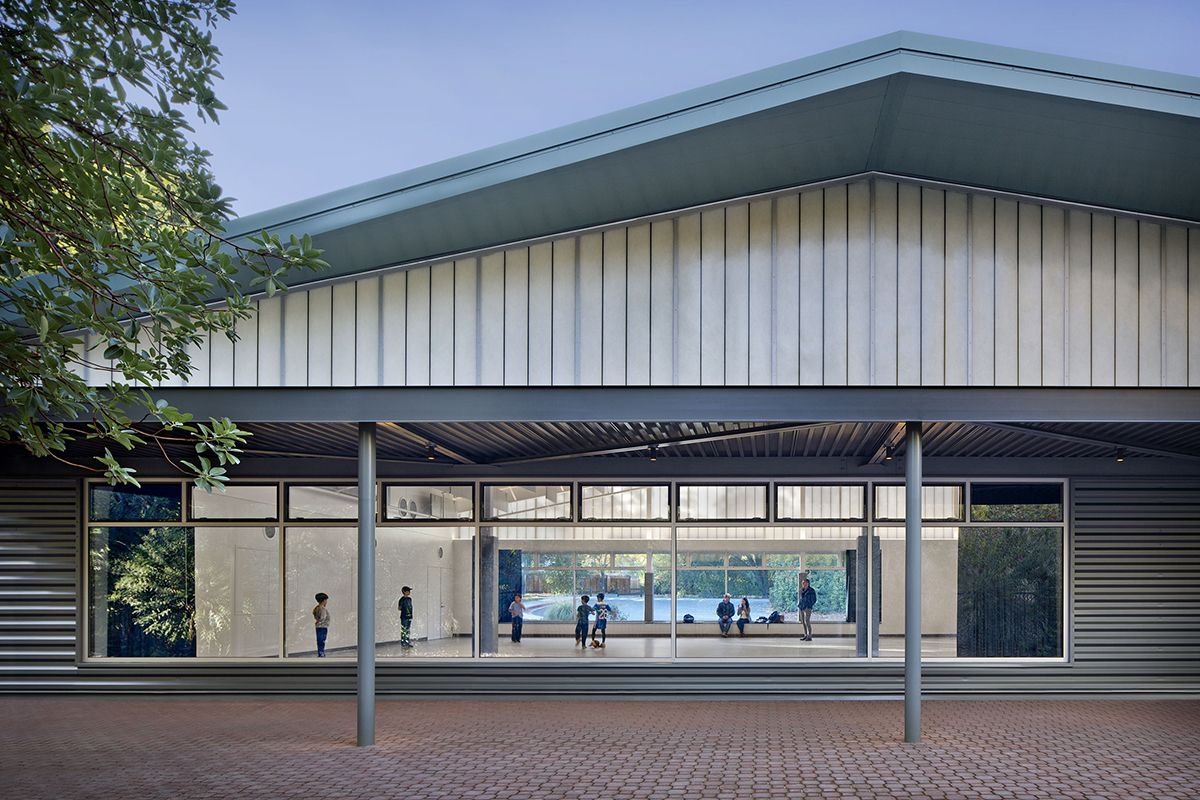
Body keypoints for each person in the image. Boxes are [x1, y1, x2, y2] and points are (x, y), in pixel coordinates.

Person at [312, 592, 329, 657]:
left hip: (318, 627)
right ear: (324, 600)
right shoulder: (322, 609)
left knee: (319, 641)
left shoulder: (317, 608)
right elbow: (323, 617)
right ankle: (321, 653)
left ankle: (320, 652)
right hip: (323, 627)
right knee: (322, 641)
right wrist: (321, 620)